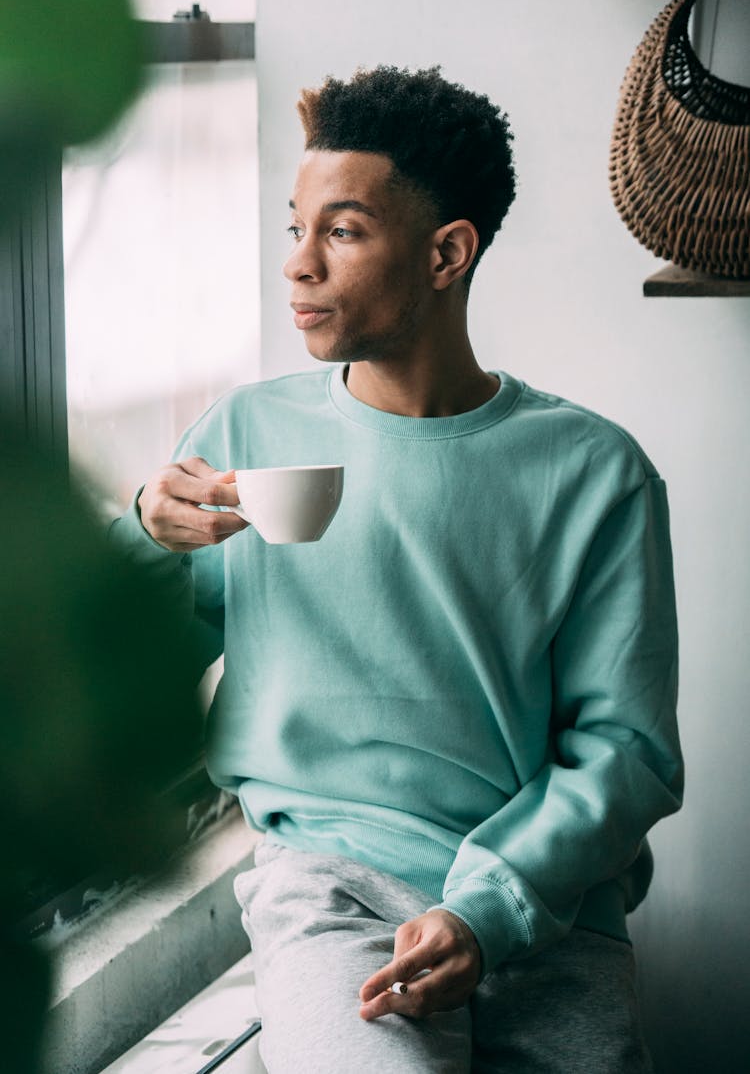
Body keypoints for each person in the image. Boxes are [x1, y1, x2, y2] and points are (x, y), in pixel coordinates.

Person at [112, 66, 683, 1073]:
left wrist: (489, 907)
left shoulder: (596, 472)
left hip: (548, 907)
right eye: (296, 228)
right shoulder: (250, 431)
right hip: (333, 893)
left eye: (342, 230)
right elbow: (108, 651)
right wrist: (151, 531)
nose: (297, 265)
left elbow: (627, 749)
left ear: (445, 253)